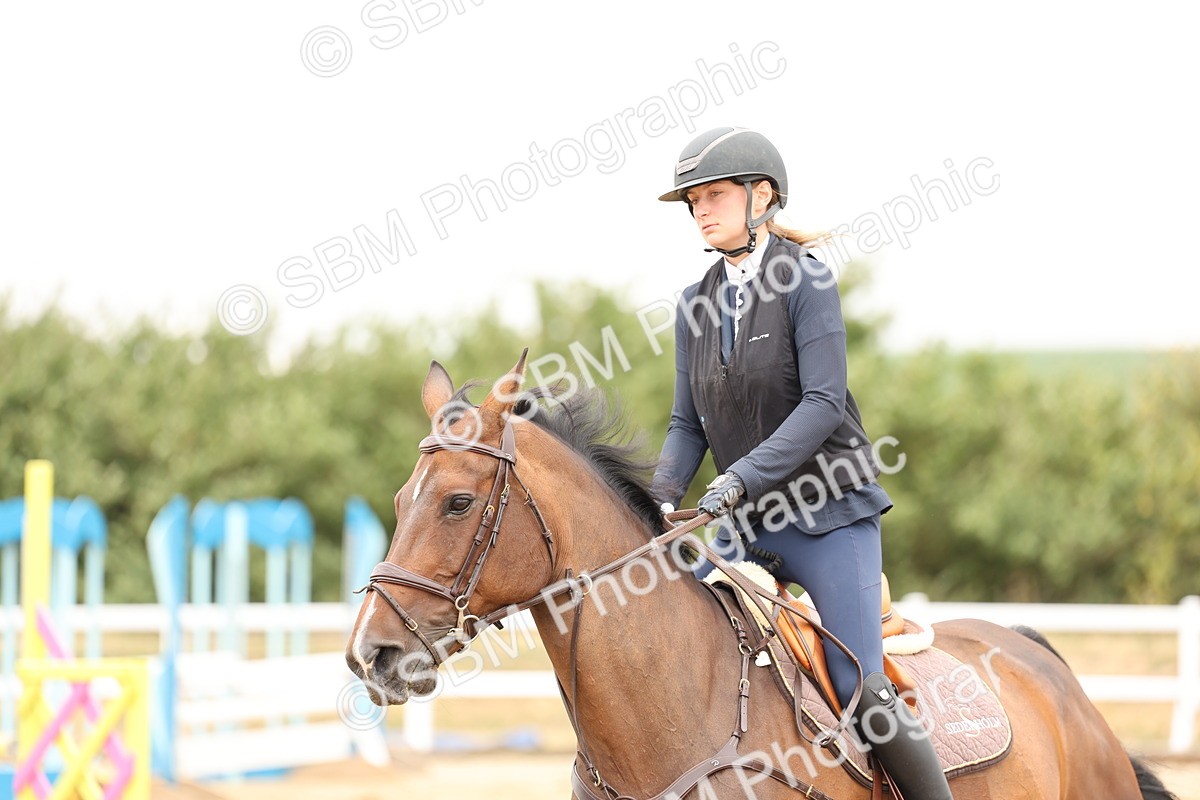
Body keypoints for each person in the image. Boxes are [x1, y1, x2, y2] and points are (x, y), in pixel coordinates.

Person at [649, 126, 952, 800]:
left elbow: (822, 403)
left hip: (829, 516)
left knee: (858, 687)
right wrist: (656, 498)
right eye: (694, 200)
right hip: (744, 528)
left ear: (762, 196)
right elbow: (685, 425)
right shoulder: (694, 304)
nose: (701, 209)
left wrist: (738, 477)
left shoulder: (806, 279)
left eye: (714, 194)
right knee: (673, 644)